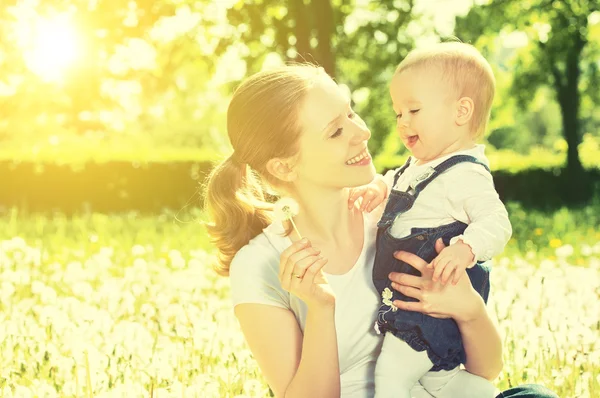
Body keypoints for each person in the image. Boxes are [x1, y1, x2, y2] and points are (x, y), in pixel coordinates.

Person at [204, 63, 557, 398]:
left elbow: (486, 370)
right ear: (284, 166)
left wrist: (469, 310)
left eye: (351, 113)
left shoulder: (405, 213)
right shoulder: (260, 265)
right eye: (337, 131)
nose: (363, 132)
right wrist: (321, 310)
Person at [347, 42, 512, 397]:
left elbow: (497, 221)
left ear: (461, 111)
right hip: (410, 303)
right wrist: (379, 186)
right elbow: (397, 185)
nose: (402, 121)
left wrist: (466, 249)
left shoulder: (466, 173)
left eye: (414, 109)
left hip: (429, 311)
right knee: (442, 380)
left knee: (391, 375)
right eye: (398, 113)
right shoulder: (418, 167)